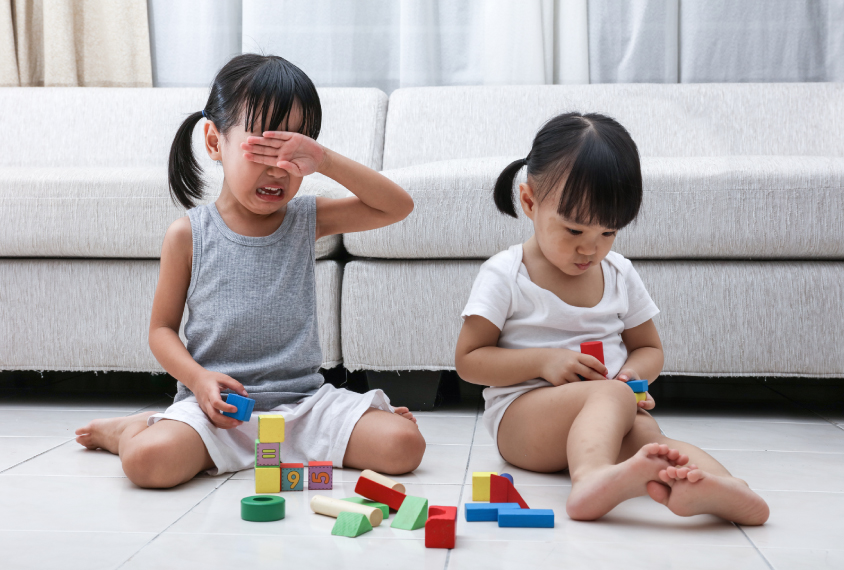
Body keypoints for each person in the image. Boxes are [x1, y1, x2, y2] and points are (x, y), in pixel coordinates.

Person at [75, 54, 425, 488]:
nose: (278, 168)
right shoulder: (188, 235)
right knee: (147, 461)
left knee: (403, 446)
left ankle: (352, 425)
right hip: (219, 412)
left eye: (293, 151)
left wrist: (326, 161)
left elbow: (398, 206)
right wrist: (199, 381)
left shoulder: (306, 218)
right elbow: (161, 331)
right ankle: (133, 427)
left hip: (303, 408)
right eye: (262, 147)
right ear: (214, 141)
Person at [454, 112, 769, 524]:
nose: (590, 249)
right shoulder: (506, 274)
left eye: (608, 233)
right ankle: (590, 480)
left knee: (650, 439)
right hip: (523, 421)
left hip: (605, 416)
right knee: (615, 400)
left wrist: (629, 379)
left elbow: (649, 348)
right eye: (573, 232)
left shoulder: (619, 273)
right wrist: (544, 361)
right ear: (530, 202)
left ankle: (723, 487)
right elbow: (469, 360)